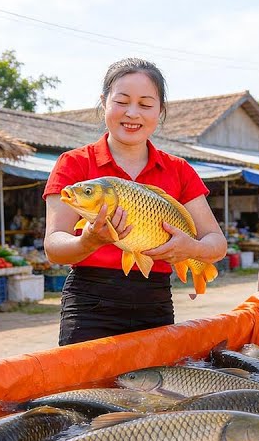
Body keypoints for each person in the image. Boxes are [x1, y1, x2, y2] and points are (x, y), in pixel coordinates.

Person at [43, 58, 227, 346]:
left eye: (145, 104)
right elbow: (54, 246)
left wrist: (191, 248)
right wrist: (89, 241)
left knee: (151, 389)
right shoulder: (74, 164)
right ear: (104, 102)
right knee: (86, 390)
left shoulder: (179, 169)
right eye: (122, 101)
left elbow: (216, 243)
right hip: (90, 304)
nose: (132, 113)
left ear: (160, 111)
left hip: (154, 301)